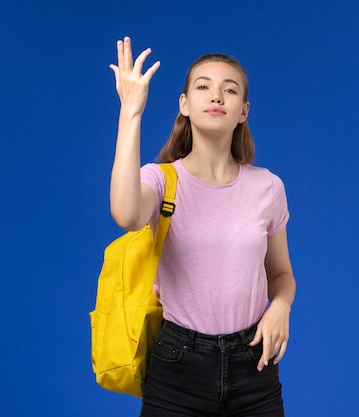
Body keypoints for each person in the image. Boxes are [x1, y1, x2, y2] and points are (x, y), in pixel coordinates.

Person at [109, 36, 296, 417]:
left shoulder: (268, 187)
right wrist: (130, 112)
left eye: (229, 90)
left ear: (242, 111)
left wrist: (281, 307)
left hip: (254, 364)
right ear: (184, 105)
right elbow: (127, 215)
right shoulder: (160, 181)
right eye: (203, 87)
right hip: (177, 365)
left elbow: (281, 274)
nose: (216, 96)